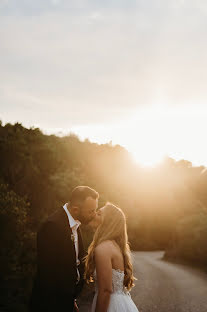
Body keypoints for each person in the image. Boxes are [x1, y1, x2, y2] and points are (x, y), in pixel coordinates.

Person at [30, 186, 99, 312]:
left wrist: (71, 299)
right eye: (91, 211)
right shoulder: (52, 226)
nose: (94, 215)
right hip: (51, 304)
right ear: (75, 209)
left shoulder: (75, 224)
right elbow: (48, 274)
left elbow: (75, 262)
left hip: (66, 300)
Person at [85, 203, 139, 312]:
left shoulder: (103, 248)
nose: (94, 214)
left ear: (107, 222)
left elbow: (105, 290)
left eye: (99, 214)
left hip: (111, 306)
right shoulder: (113, 245)